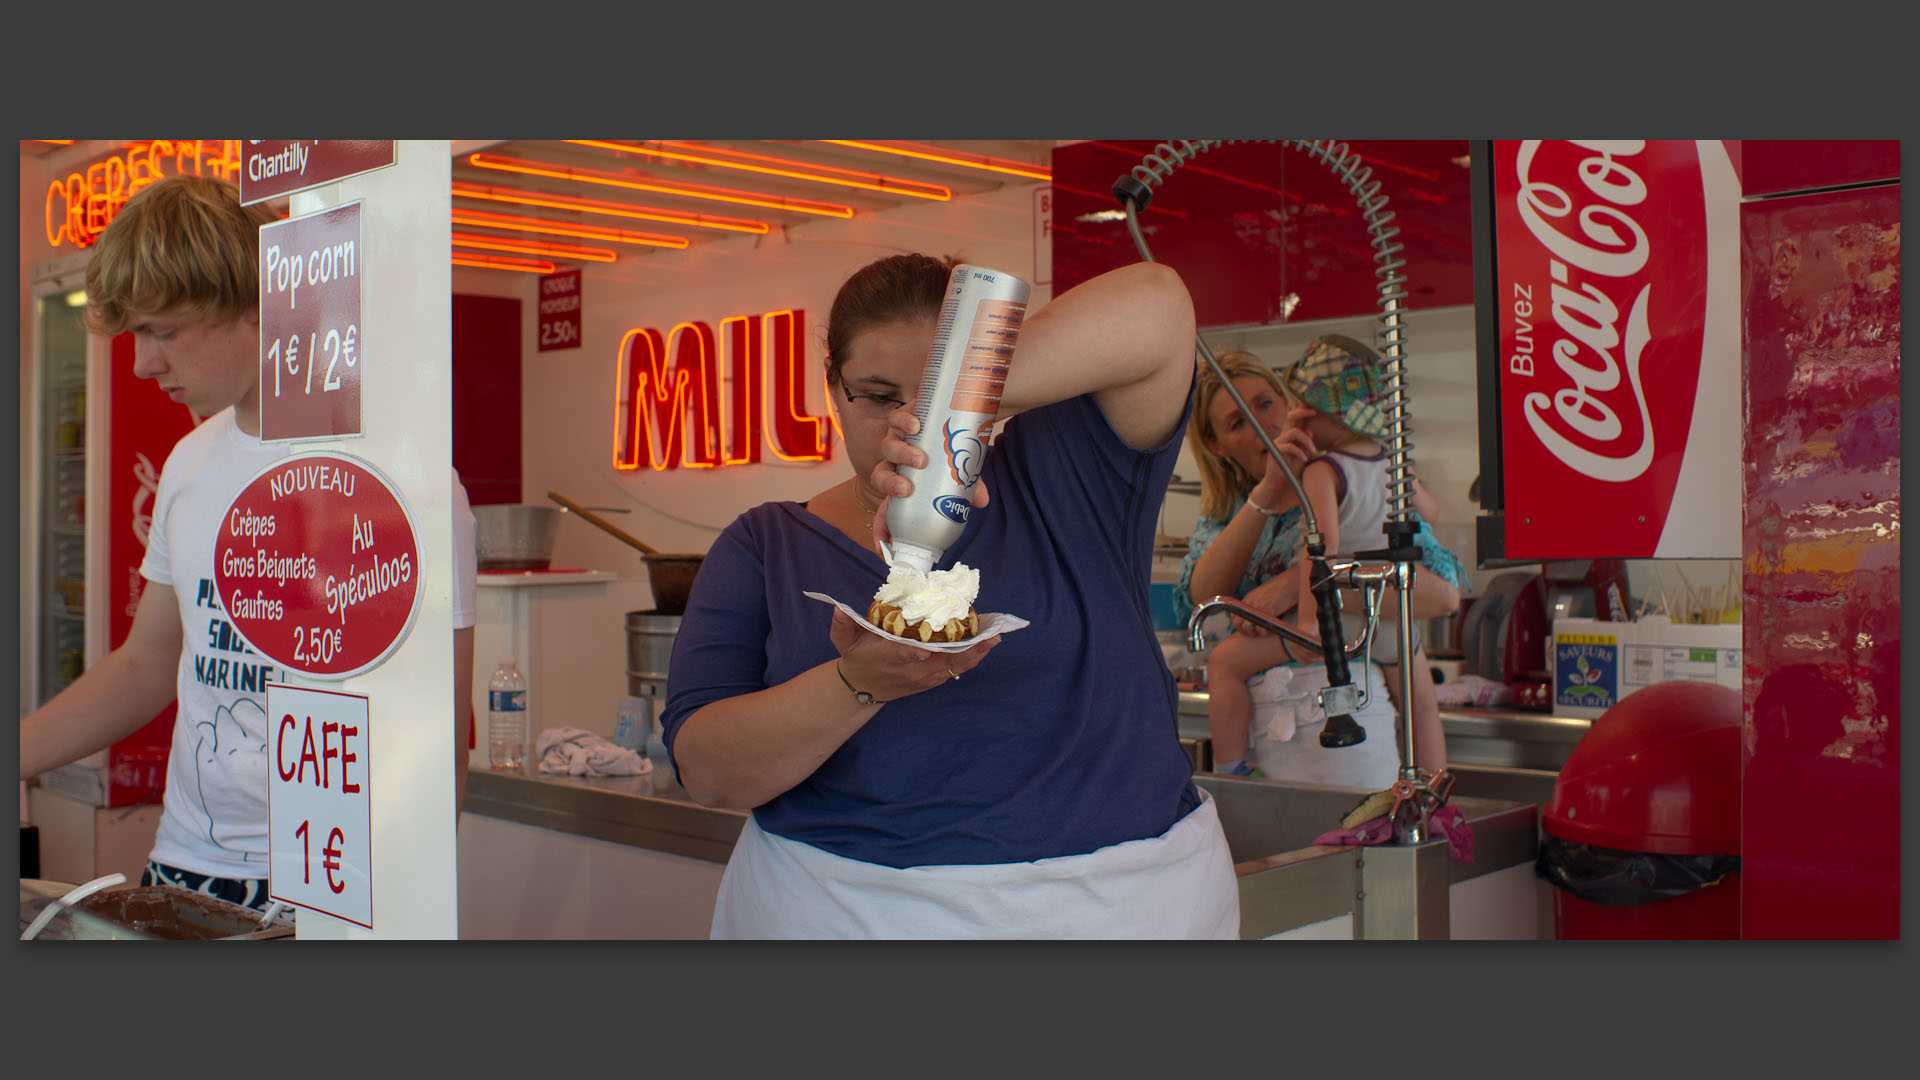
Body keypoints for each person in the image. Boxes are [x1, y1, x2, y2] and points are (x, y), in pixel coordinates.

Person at [660, 253, 1239, 939]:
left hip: (1119, 910)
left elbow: (1159, 305)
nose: (905, 426)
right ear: (832, 387)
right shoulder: (766, 544)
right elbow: (709, 772)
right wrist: (858, 683)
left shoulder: (1070, 470)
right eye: (877, 396)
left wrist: (953, 422)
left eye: (934, 389)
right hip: (841, 916)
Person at [18, 175, 478, 915]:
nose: (142, 365)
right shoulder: (191, 463)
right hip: (183, 865)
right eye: (136, 333)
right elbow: (149, 660)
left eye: (164, 332)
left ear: (258, 309)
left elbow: (439, 729)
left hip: (332, 878)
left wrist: (405, 901)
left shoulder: (400, 481)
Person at [1177, 343, 1462, 786]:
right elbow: (1201, 596)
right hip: (1265, 742)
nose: (1264, 425)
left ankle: (1433, 793)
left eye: (1267, 404)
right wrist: (1266, 494)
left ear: (1297, 404)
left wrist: (1299, 585)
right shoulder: (1227, 512)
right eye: (1238, 423)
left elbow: (1441, 593)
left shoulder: (1333, 477)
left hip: (1351, 721)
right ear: (1216, 446)